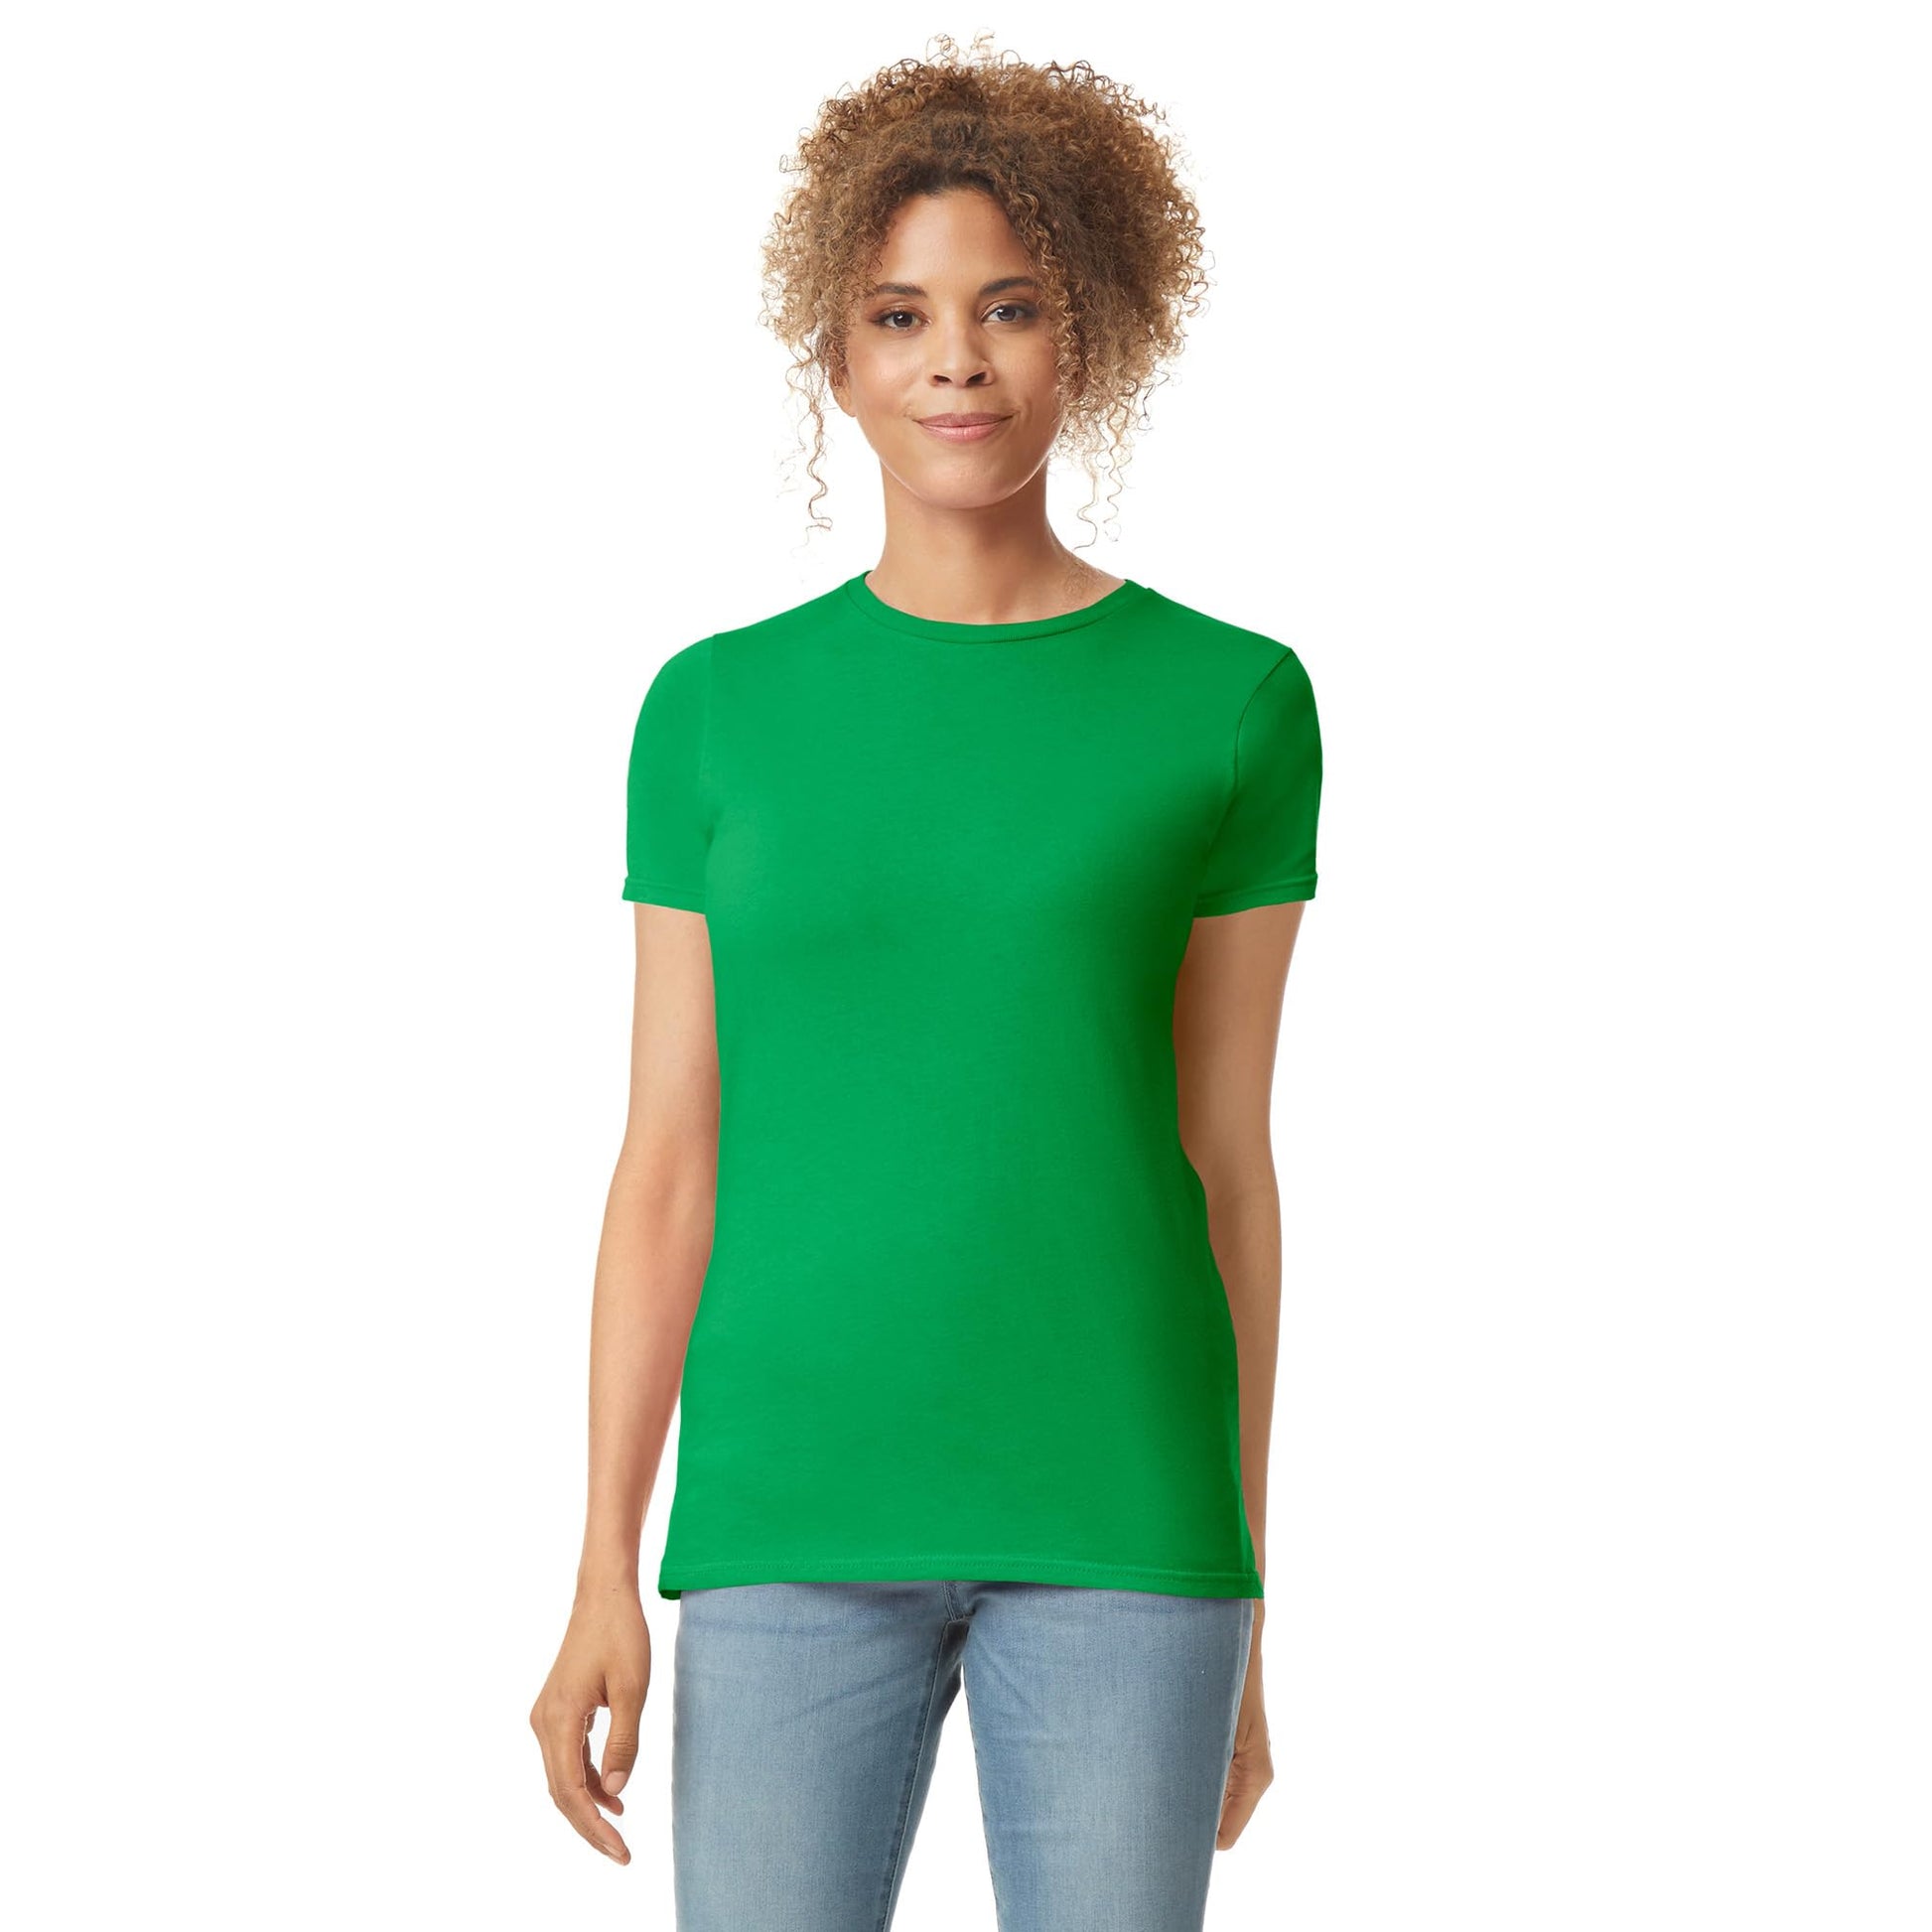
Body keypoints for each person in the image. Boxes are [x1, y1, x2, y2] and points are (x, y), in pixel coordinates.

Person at [531, 35, 1324, 1930]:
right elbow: (668, 1162)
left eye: (1010, 307)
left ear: (1090, 336)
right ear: (835, 357)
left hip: (1123, 1514)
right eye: (899, 314)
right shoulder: (713, 710)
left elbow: (1224, 1165)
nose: (954, 358)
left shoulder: (1229, 704)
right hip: (788, 1505)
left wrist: (1244, 1587)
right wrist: (599, 1565)